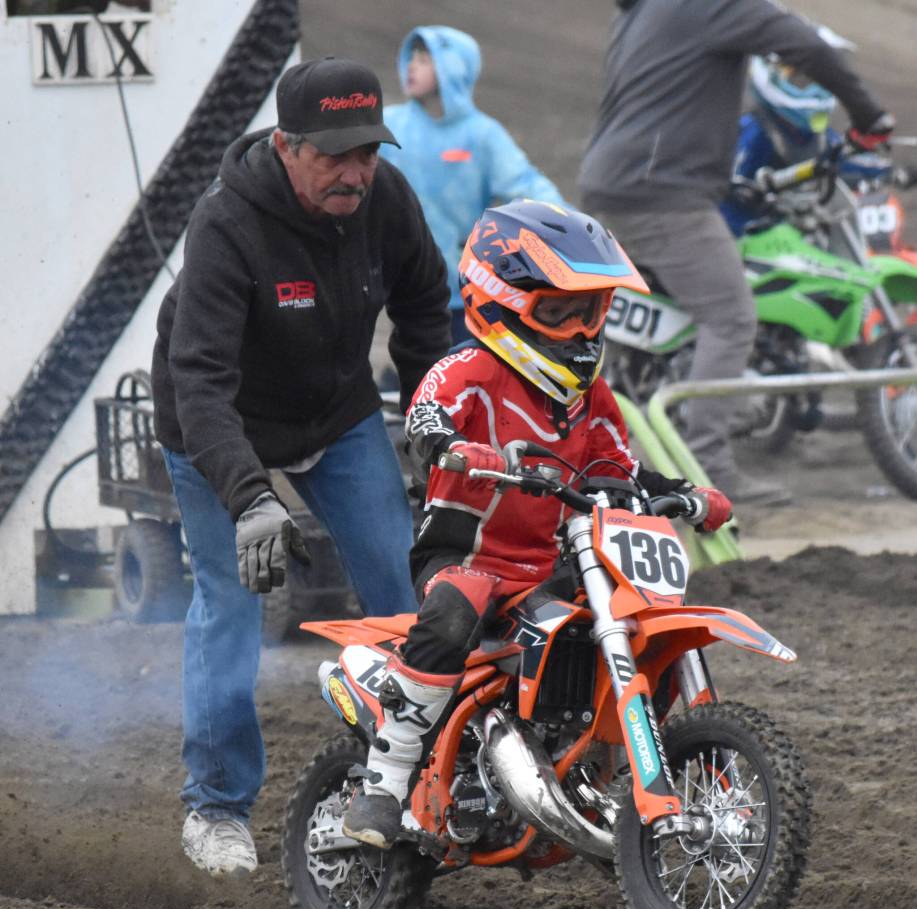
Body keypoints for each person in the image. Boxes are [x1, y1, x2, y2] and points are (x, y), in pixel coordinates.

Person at [342, 199, 733, 849]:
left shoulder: (591, 398)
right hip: (467, 562)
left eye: (591, 310)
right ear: (501, 306)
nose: (580, 330)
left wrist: (681, 494)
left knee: (641, 619)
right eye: (557, 312)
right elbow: (427, 411)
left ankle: (600, 767)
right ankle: (381, 786)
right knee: (456, 601)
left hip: (553, 567)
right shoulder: (472, 371)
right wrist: (447, 445)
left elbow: (617, 468)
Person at [151, 57, 451, 877]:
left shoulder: (385, 199)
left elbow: (427, 311)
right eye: (335, 155)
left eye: (368, 152)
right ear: (285, 146)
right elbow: (200, 380)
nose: (356, 172)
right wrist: (249, 496)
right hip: (216, 425)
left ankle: (420, 778)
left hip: (334, 414)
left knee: (408, 586)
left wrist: (435, 420)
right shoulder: (226, 227)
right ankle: (214, 809)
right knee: (233, 601)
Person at [579, 0, 894, 506]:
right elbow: (807, 43)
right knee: (730, 318)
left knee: (678, 311)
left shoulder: (640, 14)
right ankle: (709, 468)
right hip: (664, 192)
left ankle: (641, 440)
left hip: (609, 181)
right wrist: (871, 117)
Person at [383, 25, 566, 344]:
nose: (411, 65)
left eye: (425, 59)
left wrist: (567, 224)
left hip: (458, 288)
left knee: (450, 365)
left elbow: (525, 183)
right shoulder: (390, 124)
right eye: (411, 57)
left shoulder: (482, 135)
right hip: (396, 282)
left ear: (452, 67)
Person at [722, 34, 894, 237]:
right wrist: (744, 194)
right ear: (768, 72)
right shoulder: (752, 133)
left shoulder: (818, 137)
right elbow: (726, 185)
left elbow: (849, 161)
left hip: (802, 240)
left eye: (820, 82)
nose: (814, 91)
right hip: (741, 243)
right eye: (801, 81)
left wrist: (897, 172)